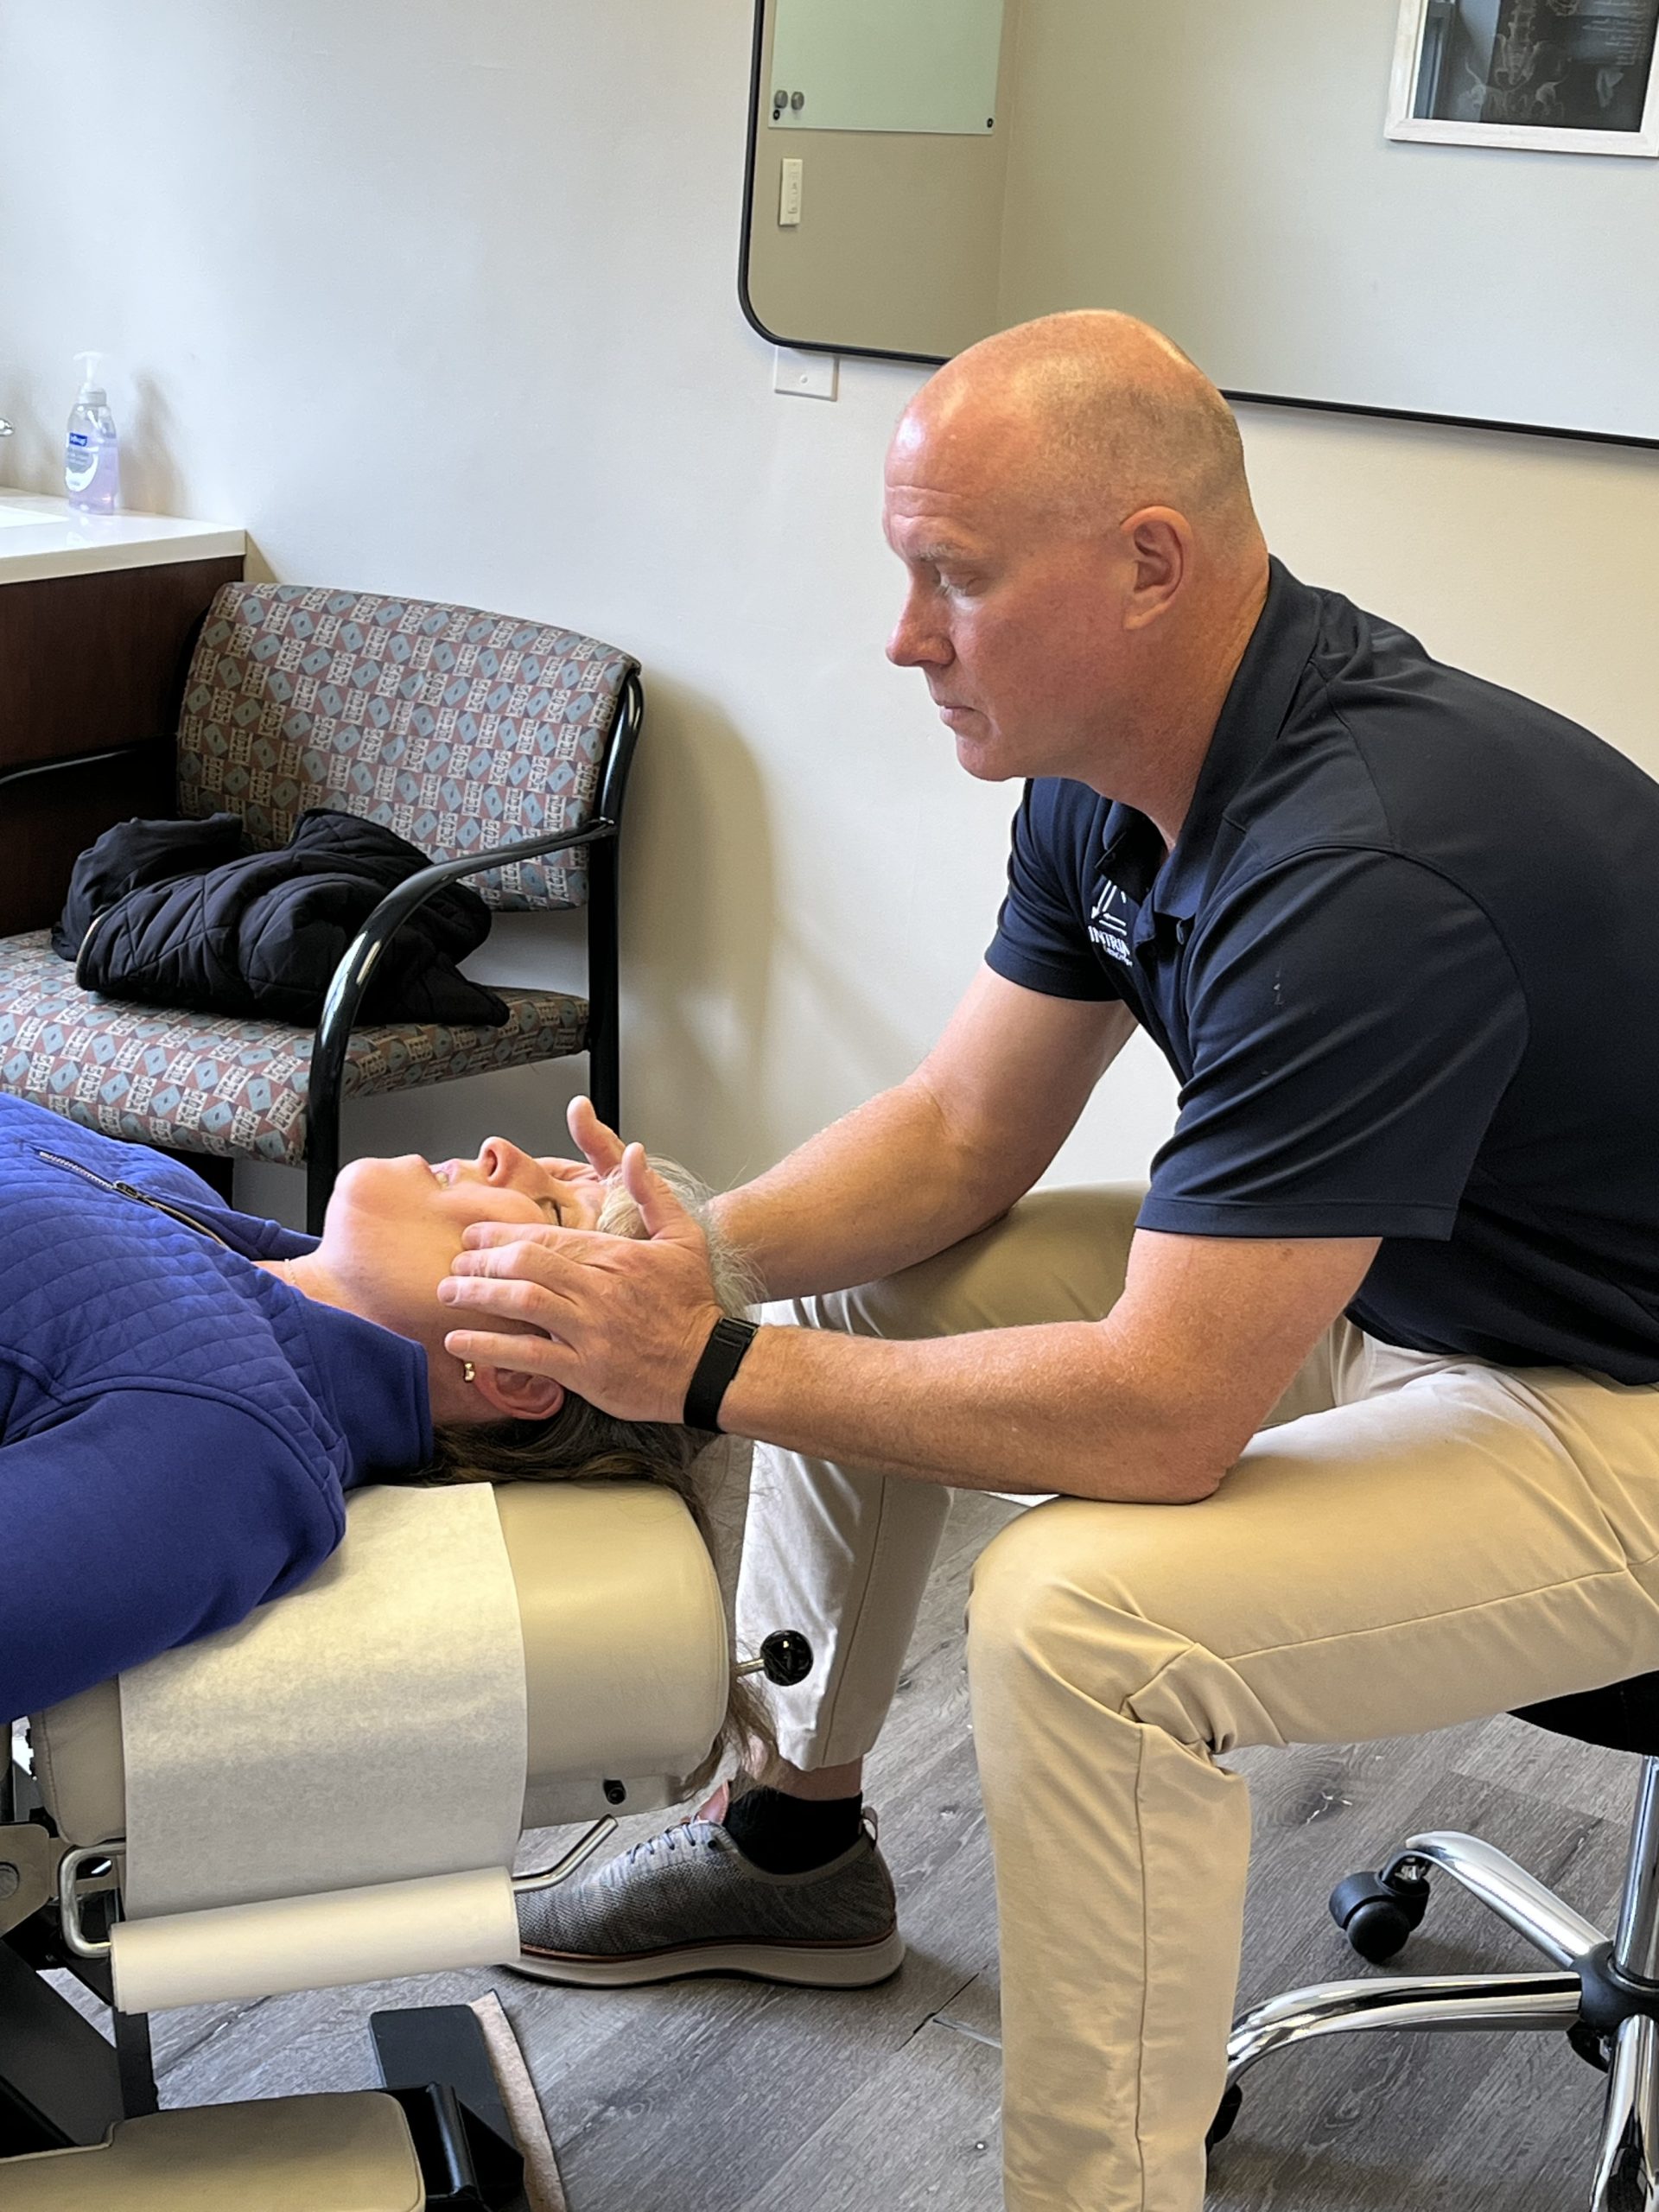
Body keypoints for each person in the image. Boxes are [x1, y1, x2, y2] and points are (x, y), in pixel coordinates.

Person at [437, 310, 1659, 2212]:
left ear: (1148, 564)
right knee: (861, 1288)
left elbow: (1170, 1412)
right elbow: (955, 1137)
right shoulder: (1114, 761)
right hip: (1418, 1293)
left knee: (1079, 1616)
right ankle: (788, 1840)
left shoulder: (1365, 868)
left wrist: (695, 1366)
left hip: (1618, 1406)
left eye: (957, 580)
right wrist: (695, 1251)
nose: (907, 634)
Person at [0, 1090, 753, 1782]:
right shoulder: (182, 1200)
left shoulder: (222, 1448)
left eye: (550, 1209)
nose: (501, 1151)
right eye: (559, 1169)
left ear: (518, 1371)